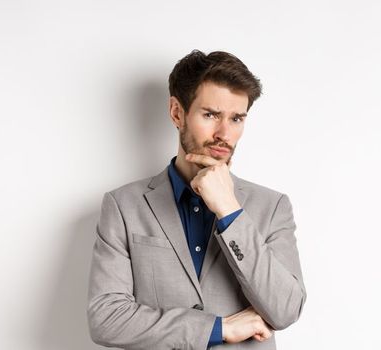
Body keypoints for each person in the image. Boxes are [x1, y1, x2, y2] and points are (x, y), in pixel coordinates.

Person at [87, 50, 306, 349]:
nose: (224, 134)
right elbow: (106, 320)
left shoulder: (273, 207)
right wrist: (219, 328)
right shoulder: (124, 206)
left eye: (237, 118)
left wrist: (230, 211)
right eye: (211, 115)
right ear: (177, 113)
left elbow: (286, 310)